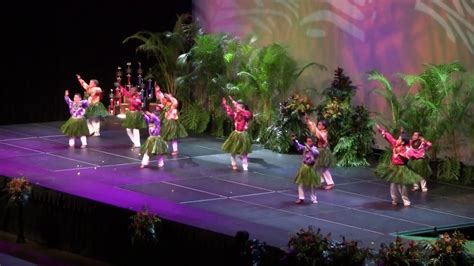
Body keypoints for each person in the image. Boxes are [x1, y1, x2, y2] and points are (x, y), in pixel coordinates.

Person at [374, 124, 422, 206]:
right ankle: (394, 199)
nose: (397, 139)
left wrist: (401, 153)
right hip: (394, 167)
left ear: (403, 142)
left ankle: (406, 200)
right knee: (393, 185)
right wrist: (381, 130)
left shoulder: (406, 149)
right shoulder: (395, 144)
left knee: (402, 185)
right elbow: (389, 137)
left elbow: (410, 154)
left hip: (401, 168)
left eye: (399, 139)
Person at [155, 84, 187, 156]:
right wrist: (158, 91)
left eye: (169, 95)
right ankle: (164, 149)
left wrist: (169, 96)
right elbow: (162, 99)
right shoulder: (167, 103)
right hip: (167, 121)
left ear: (172, 96)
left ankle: (175, 150)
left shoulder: (174, 102)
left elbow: (173, 102)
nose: (167, 96)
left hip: (172, 122)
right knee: (164, 135)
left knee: (173, 137)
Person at [222, 96, 253, 171]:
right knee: (233, 150)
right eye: (237, 106)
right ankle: (233, 163)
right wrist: (226, 105)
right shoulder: (235, 114)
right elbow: (230, 112)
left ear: (242, 107)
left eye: (238, 106)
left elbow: (247, 114)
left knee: (244, 151)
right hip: (236, 134)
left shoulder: (246, 113)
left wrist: (236, 104)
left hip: (243, 134)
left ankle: (245, 164)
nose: (236, 107)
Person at [305, 116, 336, 190]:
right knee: (317, 167)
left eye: (319, 125)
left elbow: (320, 136)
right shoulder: (321, 131)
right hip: (320, 150)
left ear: (323, 126)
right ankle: (320, 182)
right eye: (318, 124)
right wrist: (309, 121)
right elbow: (314, 130)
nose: (318, 126)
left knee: (323, 168)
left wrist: (314, 127)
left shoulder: (324, 133)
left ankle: (330, 183)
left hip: (324, 152)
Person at [292, 135, 320, 204]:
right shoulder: (305, 148)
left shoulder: (315, 149)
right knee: (300, 182)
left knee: (312, 185)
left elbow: (316, 153)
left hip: (311, 168)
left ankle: (313, 198)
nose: (308, 143)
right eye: (307, 141)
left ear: (313, 142)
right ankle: (301, 198)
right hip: (304, 167)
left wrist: (310, 149)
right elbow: (299, 146)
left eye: (310, 141)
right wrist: (294, 140)